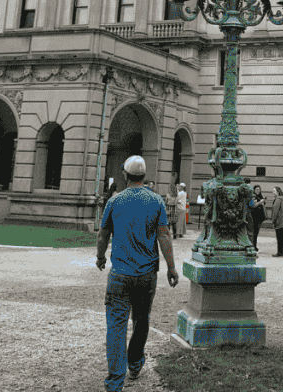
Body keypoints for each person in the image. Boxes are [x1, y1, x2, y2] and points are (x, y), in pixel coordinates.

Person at [96, 156, 179, 392]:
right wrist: (171, 268)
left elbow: (103, 234)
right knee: (141, 321)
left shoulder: (115, 201)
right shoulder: (156, 201)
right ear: (143, 175)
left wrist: (101, 257)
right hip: (146, 274)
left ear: (125, 175)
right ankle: (135, 362)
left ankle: (115, 380)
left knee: (116, 326)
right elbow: (164, 235)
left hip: (120, 273)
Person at [271, 186, 283, 257]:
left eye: (274, 191)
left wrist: (273, 221)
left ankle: (279, 252)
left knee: (279, 238)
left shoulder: (278, 200)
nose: (273, 192)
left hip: (279, 222)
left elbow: (275, 212)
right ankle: (282, 252)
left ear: (278, 192)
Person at [250, 185, 267, 251]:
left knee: (256, 233)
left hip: (260, 217)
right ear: (254, 190)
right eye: (256, 189)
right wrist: (260, 202)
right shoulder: (253, 196)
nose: (258, 191)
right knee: (253, 232)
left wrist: (263, 202)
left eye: (259, 189)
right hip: (254, 217)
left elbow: (263, 205)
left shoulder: (261, 196)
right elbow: (253, 206)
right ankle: (253, 246)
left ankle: (255, 245)